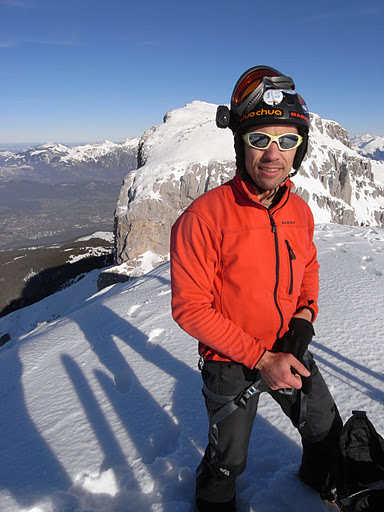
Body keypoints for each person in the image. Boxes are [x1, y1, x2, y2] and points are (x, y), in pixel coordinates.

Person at [170, 66, 342, 512]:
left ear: (299, 149)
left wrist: (304, 318)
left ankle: (323, 486)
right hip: (231, 362)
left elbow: (308, 267)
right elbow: (190, 309)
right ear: (240, 143)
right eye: (259, 138)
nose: (273, 153)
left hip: (289, 345)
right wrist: (261, 359)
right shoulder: (205, 217)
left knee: (324, 427)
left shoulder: (298, 210)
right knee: (228, 460)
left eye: (287, 140)